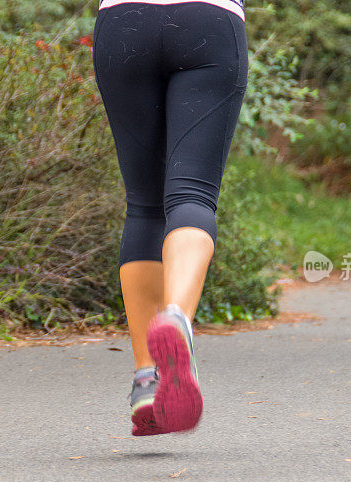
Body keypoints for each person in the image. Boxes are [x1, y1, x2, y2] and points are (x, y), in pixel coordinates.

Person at [92, 0, 248, 436]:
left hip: (125, 23)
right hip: (209, 21)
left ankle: (147, 379)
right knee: (191, 194)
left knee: (143, 203)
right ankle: (177, 316)